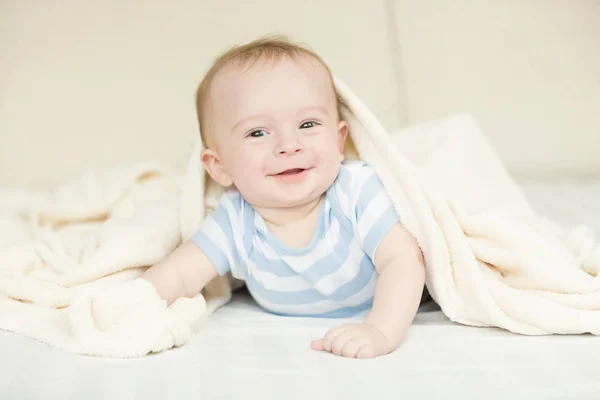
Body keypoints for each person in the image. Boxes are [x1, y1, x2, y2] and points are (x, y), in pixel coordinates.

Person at [142, 35, 426, 359]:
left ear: (338, 140)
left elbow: (404, 261)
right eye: (258, 132)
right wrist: (129, 303)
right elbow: (180, 274)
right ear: (219, 167)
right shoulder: (236, 219)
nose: (289, 145)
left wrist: (379, 330)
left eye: (307, 124)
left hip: (378, 308)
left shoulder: (356, 190)